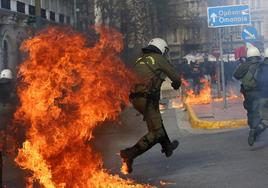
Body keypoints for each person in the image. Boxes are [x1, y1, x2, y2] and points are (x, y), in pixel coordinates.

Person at [120, 38, 181, 173]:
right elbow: (176, 79)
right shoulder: (159, 59)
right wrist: (176, 84)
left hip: (135, 99)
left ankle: (167, 146)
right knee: (156, 132)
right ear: (162, 49)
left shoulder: (139, 60)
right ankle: (130, 154)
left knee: (156, 122)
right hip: (147, 99)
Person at [233, 46, 262, 146]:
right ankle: (257, 129)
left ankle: (252, 129)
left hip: (249, 93)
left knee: (251, 111)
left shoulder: (245, 65)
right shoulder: (263, 64)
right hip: (262, 92)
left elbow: (236, 75)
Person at [255, 48, 268, 136]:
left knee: (263, 117)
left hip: (262, 96)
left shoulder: (259, 66)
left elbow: (255, 79)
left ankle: (258, 129)